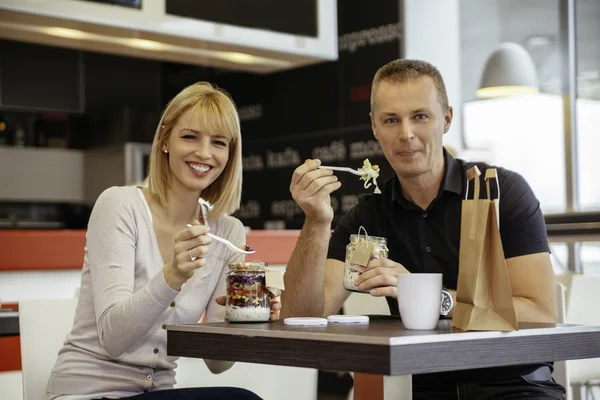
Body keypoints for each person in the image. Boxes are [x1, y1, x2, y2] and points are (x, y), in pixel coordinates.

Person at [281, 59, 566, 399]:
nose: (406, 134)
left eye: (420, 116)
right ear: (374, 126)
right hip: (420, 388)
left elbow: (540, 312)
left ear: (445, 119)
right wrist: (316, 221)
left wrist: (430, 298)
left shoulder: (500, 192)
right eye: (391, 120)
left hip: (514, 385)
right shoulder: (370, 215)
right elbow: (302, 316)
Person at [47, 82, 264, 400]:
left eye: (218, 142)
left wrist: (249, 314)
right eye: (190, 136)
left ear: (230, 155)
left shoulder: (228, 232)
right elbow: (113, 339)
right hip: (87, 393)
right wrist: (173, 275)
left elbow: (217, 363)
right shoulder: (120, 205)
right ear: (164, 139)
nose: (204, 153)